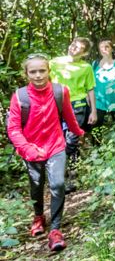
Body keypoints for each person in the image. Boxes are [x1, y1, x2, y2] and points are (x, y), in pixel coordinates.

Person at [7, 54, 85, 252]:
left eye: (42, 70)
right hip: (30, 150)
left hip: (56, 146)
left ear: (49, 71)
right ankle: (38, 216)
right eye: (33, 72)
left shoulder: (60, 91)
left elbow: (69, 116)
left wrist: (78, 132)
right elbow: (13, 128)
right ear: (27, 74)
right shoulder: (20, 96)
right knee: (36, 185)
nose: (38, 75)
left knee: (58, 184)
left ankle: (56, 229)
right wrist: (26, 148)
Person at [49, 37, 97, 191]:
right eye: (73, 44)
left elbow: (90, 89)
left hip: (78, 106)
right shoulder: (54, 63)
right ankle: (59, 177)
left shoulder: (86, 67)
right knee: (59, 141)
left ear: (84, 53)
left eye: (78, 48)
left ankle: (71, 177)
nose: (73, 48)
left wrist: (94, 111)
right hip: (57, 105)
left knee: (71, 141)